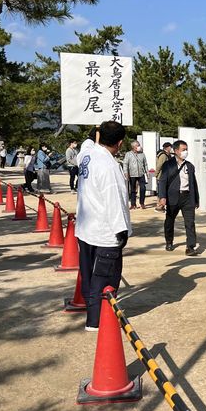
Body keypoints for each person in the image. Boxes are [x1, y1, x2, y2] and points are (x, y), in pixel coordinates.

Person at [75, 121, 132, 331]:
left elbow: (86, 144)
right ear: (120, 143)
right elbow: (114, 200)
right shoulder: (109, 166)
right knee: (104, 280)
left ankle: (92, 316)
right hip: (104, 233)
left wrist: (94, 134)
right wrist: (122, 229)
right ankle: (98, 322)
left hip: (85, 228)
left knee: (89, 276)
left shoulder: (87, 155)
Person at [158, 140, 199, 255]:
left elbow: (193, 183)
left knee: (190, 223)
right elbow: (162, 181)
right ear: (176, 151)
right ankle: (169, 241)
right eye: (183, 150)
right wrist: (162, 197)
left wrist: (196, 199)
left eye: (186, 149)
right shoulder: (168, 165)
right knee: (170, 221)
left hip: (187, 197)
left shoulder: (189, 166)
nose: (185, 152)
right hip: (173, 197)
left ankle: (190, 247)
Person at [123, 140, 149, 209]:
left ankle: (142, 203)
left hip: (141, 174)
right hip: (132, 174)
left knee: (143, 188)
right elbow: (125, 164)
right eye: (138, 145)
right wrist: (126, 173)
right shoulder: (128, 154)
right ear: (134, 147)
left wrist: (147, 172)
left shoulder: (142, 154)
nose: (139, 146)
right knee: (133, 190)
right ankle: (133, 204)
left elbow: (145, 164)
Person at [154, 142, 172, 212]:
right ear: (167, 148)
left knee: (162, 191)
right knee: (161, 191)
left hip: (164, 176)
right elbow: (159, 165)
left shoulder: (167, 155)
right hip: (161, 176)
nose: (171, 149)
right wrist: (156, 174)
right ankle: (160, 206)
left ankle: (161, 206)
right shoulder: (163, 155)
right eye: (170, 147)